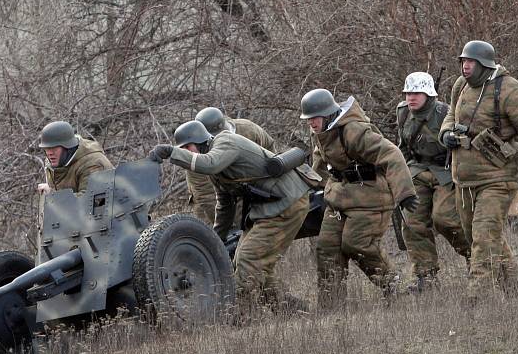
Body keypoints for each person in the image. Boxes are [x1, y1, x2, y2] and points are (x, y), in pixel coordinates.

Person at [149, 120, 316, 316]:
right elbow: (225, 205)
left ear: (201, 140)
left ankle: (238, 316)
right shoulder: (216, 166)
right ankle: (293, 311)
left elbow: (209, 164)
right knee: (242, 261)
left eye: (188, 146)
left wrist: (171, 152)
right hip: (267, 207)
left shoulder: (225, 143)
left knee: (249, 260)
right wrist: (215, 240)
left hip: (288, 202)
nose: (186, 151)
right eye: (182, 148)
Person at [438, 40, 518, 301]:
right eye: (463, 61)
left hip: (498, 178)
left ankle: (477, 298)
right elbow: (451, 114)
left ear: (484, 64)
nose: (465, 66)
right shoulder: (460, 86)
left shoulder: (510, 90)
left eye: (470, 62)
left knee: (483, 238)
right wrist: (446, 133)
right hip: (464, 178)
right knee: (480, 234)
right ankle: (516, 285)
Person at [301, 88, 417, 309]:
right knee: (327, 250)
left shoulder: (354, 131)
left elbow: (391, 155)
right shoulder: (321, 132)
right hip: (339, 197)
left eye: (314, 118)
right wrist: (310, 190)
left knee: (357, 244)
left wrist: (405, 193)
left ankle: (394, 287)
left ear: (327, 114)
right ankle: (331, 309)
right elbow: (320, 164)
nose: (311, 123)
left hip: (371, 196)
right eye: (308, 119)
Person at [395, 72, 471, 292]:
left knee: (445, 219)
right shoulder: (403, 113)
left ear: (428, 94)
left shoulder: (445, 113)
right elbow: (402, 146)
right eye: (409, 93)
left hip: (444, 171)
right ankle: (424, 276)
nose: (411, 98)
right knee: (412, 222)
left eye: (417, 93)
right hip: (418, 170)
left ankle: (474, 257)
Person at [186, 107, 275, 225]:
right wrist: (226, 227)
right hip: (212, 202)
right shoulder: (195, 155)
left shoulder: (248, 130)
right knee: (215, 239)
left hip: (249, 186)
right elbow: (206, 195)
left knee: (261, 228)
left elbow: (270, 152)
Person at [38, 121, 113, 194]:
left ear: (67, 147)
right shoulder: (52, 163)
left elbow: (90, 201)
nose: (50, 153)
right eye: (47, 148)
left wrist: (52, 194)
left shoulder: (92, 163)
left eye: (54, 148)